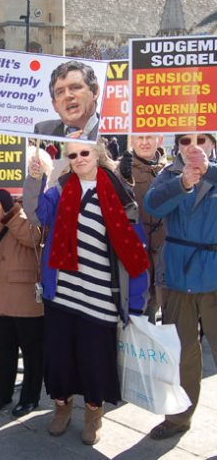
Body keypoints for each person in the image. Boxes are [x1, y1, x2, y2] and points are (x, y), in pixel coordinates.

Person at [24, 141, 149, 445]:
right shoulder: (60, 188)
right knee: (59, 358)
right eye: (72, 155)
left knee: (95, 361)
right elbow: (35, 214)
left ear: (97, 155)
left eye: (84, 153)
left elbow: (136, 252)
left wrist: (135, 303)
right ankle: (62, 408)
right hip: (63, 292)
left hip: (101, 295)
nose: (78, 159)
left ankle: (94, 415)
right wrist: (35, 179)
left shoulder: (120, 193)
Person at [144, 132, 217, 440]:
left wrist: (208, 171)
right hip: (178, 277)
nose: (193, 146)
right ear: (177, 145)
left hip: (213, 275)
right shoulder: (169, 174)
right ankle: (177, 419)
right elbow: (152, 205)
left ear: (213, 143)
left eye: (202, 139)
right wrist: (183, 183)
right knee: (183, 354)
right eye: (186, 140)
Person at [0, 149, 52, 418]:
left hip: (25, 289)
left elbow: (34, 239)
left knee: (32, 349)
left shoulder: (42, 202)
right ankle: (1, 394)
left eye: (33, 170)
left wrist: (12, 208)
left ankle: (30, 397)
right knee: (1, 348)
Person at [118, 135, 168, 324]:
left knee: (165, 318)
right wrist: (122, 177)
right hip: (136, 258)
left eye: (149, 137)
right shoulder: (122, 169)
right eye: (139, 137)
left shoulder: (170, 171)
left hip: (164, 257)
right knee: (139, 320)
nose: (144, 142)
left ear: (160, 139)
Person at [34, 61, 100, 141]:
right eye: (60, 92)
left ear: (95, 92)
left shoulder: (113, 133)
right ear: (55, 105)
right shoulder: (42, 131)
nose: (67, 96)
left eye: (75, 87)